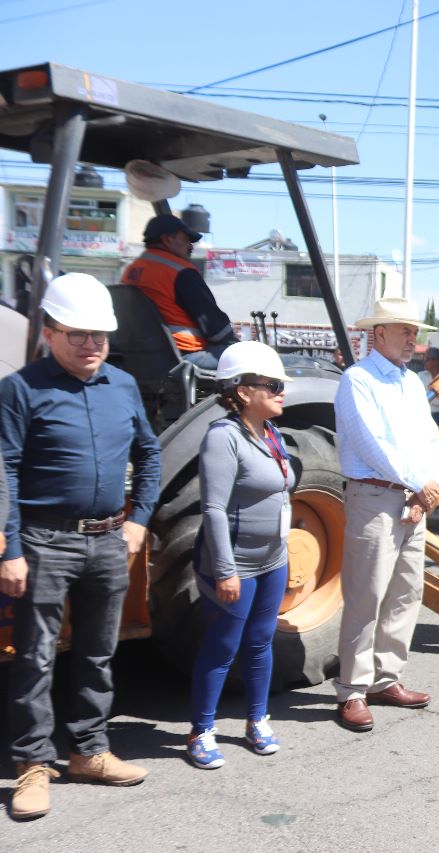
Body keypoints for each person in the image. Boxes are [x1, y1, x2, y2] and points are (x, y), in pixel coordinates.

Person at [0, 273, 161, 820]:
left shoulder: (122, 385)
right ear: (49, 332)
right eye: (78, 334)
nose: (91, 344)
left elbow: (151, 452)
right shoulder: (21, 389)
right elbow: (6, 472)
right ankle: (31, 766)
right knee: (36, 658)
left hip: (107, 540)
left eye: (100, 335)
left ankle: (89, 752)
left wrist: (138, 519)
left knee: (98, 654)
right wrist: (11, 549)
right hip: (44, 542)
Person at [333, 296, 439, 733]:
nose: (413, 338)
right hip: (376, 496)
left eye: (414, 331)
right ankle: (353, 690)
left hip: (411, 496)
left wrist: (425, 489)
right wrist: (422, 485)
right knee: (366, 593)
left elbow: (430, 439)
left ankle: (385, 678)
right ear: (379, 334)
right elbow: (371, 444)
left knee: (404, 592)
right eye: (404, 330)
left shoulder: (411, 383)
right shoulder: (357, 380)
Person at [187, 342, 296, 769]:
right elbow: (213, 508)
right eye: (272, 384)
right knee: (223, 646)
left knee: (260, 643)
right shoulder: (223, 438)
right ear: (243, 391)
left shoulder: (272, 434)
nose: (281, 390)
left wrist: (283, 551)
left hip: (272, 561)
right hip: (235, 565)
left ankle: (256, 720)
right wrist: (225, 571)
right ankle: (201, 731)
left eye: (281, 384)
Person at [122, 214, 238, 369]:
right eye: (186, 240)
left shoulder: (130, 271)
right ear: (168, 239)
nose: (190, 246)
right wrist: (236, 343)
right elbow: (217, 330)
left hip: (139, 357)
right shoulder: (180, 272)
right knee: (249, 358)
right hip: (182, 356)